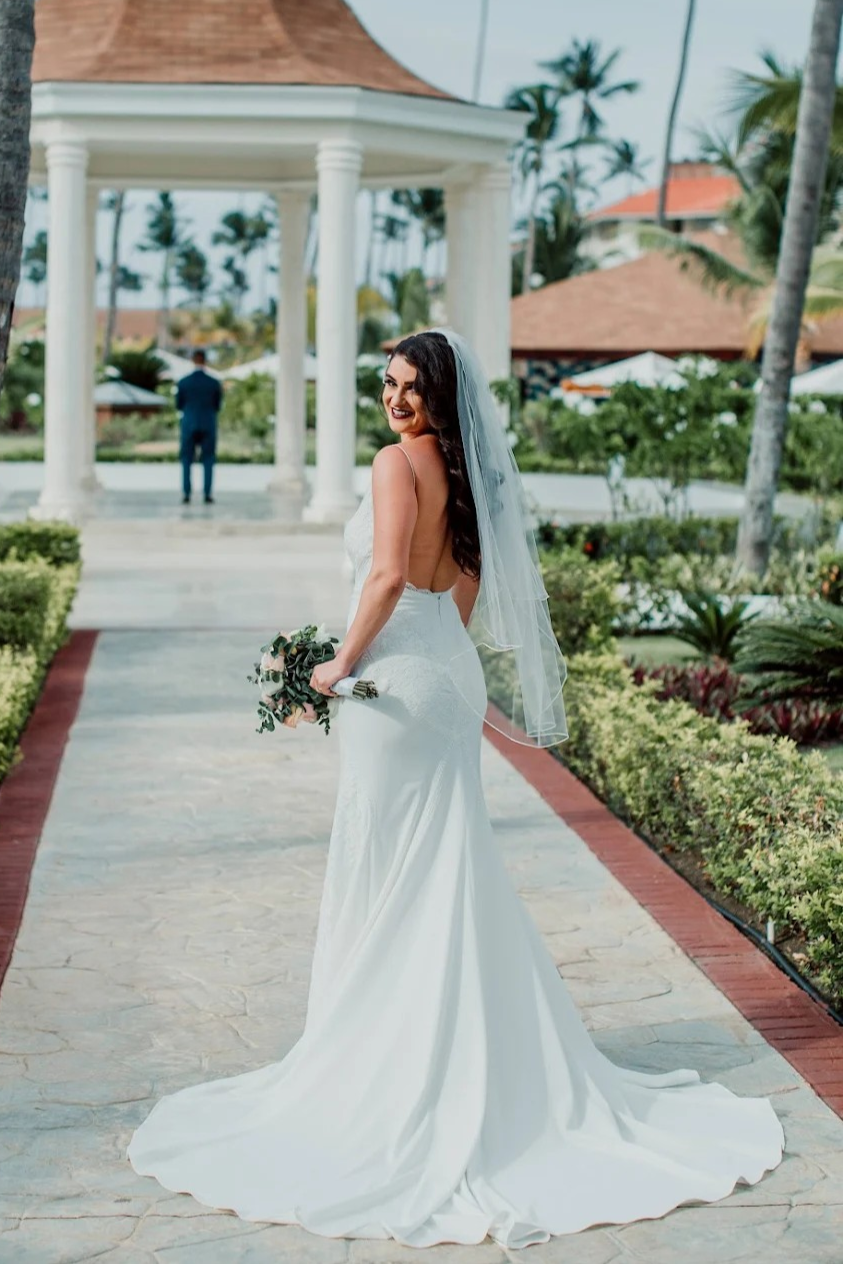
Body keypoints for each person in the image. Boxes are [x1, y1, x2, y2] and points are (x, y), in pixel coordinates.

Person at [127, 329, 784, 1249]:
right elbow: (460, 587)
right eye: (386, 386)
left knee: (388, 863)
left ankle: (386, 1067)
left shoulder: (396, 466)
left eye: (409, 386)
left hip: (392, 681)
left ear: (439, 391)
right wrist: (419, 654)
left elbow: (390, 574)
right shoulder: (472, 475)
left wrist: (335, 666)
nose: (395, 401)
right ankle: (463, 1054)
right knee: (442, 861)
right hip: (443, 670)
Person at [176, 349, 222, 505]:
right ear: (205, 360)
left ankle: (186, 493)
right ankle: (207, 494)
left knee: (186, 460)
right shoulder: (214, 383)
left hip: (188, 424)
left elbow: (179, 405)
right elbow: (217, 405)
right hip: (208, 423)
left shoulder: (183, 382)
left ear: (193, 360)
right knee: (208, 459)